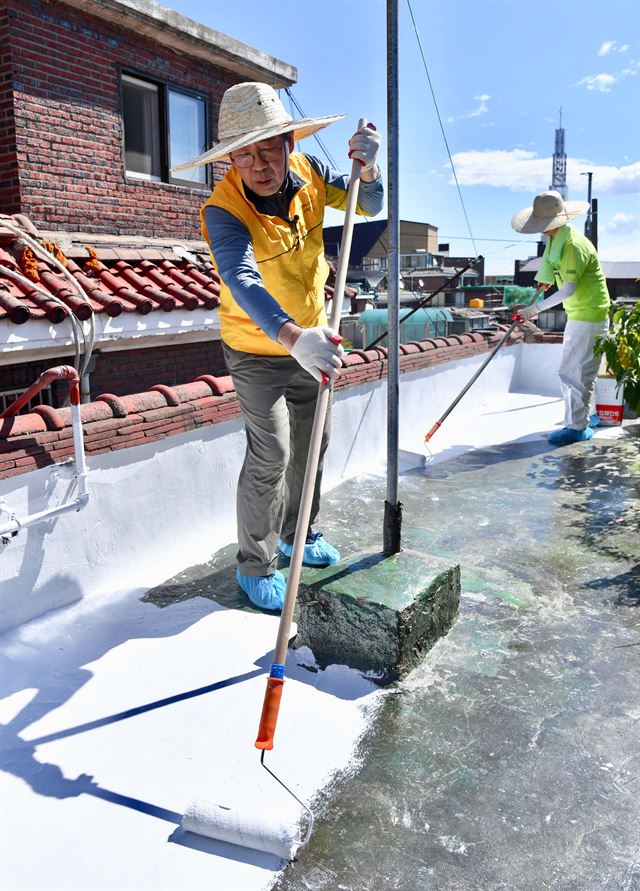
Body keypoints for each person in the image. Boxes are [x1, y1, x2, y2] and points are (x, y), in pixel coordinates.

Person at [173, 81, 383, 610]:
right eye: (244, 154)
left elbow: (370, 204)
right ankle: (256, 563)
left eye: (268, 148)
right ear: (231, 159)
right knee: (273, 454)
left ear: (290, 142)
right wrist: (294, 339)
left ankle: (299, 535)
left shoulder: (311, 173)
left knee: (314, 446)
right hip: (258, 346)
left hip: (316, 334)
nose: (259, 164)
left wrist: (370, 170)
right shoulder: (223, 210)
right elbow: (241, 280)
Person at [511, 190, 610, 446]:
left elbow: (567, 290)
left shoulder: (573, 247)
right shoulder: (559, 239)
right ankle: (588, 415)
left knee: (574, 372)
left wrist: (534, 310)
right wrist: (544, 284)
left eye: (544, 226)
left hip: (589, 315)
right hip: (580, 314)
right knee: (578, 369)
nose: (542, 232)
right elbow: (556, 276)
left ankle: (577, 427)